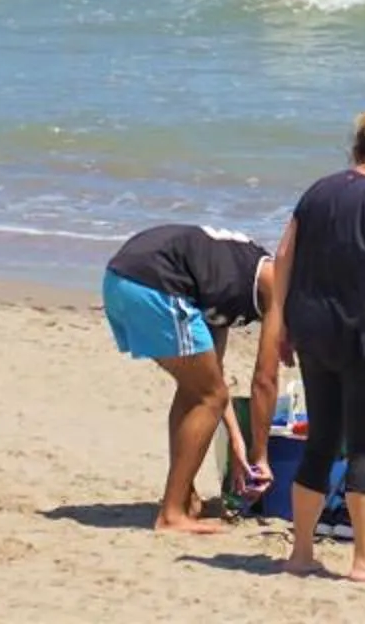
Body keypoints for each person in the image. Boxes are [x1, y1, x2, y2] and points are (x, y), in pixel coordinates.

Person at [251, 111, 365, 583]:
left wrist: (282, 323)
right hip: (362, 337)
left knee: (321, 443)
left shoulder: (318, 191)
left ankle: (301, 553)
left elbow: (283, 257)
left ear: (358, 148)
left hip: (312, 331)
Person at [101, 221, 278, 533]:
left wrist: (237, 442)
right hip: (153, 282)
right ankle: (172, 514)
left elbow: (214, 375)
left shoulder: (232, 277)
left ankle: (184, 498)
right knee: (207, 396)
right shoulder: (280, 290)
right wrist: (259, 456)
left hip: (120, 279)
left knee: (197, 390)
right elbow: (265, 380)